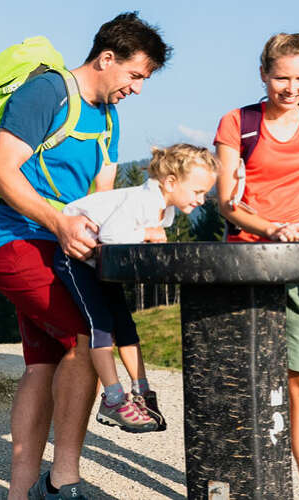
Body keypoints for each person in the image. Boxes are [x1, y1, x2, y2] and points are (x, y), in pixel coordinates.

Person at [0, 12, 171, 500]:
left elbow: (101, 200)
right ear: (107, 58)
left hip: (61, 253)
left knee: (44, 362)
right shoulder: (46, 94)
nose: (138, 88)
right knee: (85, 339)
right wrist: (58, 221)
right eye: (135, 75)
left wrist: (137, 231)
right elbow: (1, 173)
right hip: (12, 241)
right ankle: (64, 482)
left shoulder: (108, 119)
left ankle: (21, 493)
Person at [213, 33, 299, 500]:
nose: (291, 88)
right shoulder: (238, 123)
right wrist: (273, 229)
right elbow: (228, 203)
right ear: (263, 74)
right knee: (241, 380)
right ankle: (241, 486)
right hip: (249, 259)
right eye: (282, 78)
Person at [52, 144, 218, 433]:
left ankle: (142, 390)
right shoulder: (142, 201)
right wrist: (147, 234)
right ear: (170, 182)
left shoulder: (164, 210)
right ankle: (113, 399)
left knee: (125, 325)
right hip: (75, 259)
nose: (202, 200)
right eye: (197, 192)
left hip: (101, 263)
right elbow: (112, 235)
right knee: (100, 324)